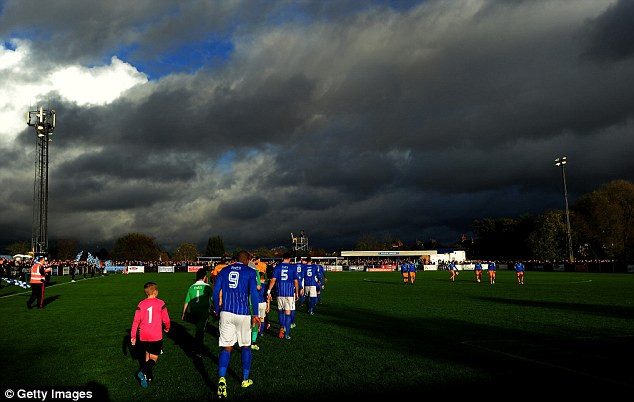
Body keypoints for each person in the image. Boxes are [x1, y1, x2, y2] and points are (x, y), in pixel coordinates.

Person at [212, 251, 261, 398]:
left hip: (226, 312)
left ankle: (222, 378)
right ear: (247, 260)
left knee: (227, 347)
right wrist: (256, 314)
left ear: (236, 260)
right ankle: (245, 379)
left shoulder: (224, 270)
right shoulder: (250, 271)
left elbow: (215, 292)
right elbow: (254, 293)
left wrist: (217, 309)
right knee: (246, 346)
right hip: (243, 313)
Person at [130, 282, 171, 389]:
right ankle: (142, 372)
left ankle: (148, 377)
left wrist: (133, 336)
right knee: (154, 357)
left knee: (147, 356)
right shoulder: (161, 303)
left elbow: (135, 321)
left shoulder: (141, 304)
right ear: (155, 292)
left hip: (143, 335)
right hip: (155, 335)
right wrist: (167, 328)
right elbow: (166, 319)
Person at [267, 253, 299, 339]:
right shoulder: (292, 267)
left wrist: (269, 291)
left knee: (280, 311)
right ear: (289, 259)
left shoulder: (277, 267)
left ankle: (281, 327)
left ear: (282, 258)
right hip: (289, 293)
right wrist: (297, 292)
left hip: (279, 292)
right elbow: (296, 281)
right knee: (288, 313)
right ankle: (287, 334)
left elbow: (273, 280)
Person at [182, 268, 212, 356]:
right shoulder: (207, 287)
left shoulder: (191, 287)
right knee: (200, 330)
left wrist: (184, 313)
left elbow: (187, 300)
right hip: (203, 311)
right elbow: (213, 298)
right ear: (205, 277)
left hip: (193, 311)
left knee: (199, 328)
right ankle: (197, 350)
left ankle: (196, 348)